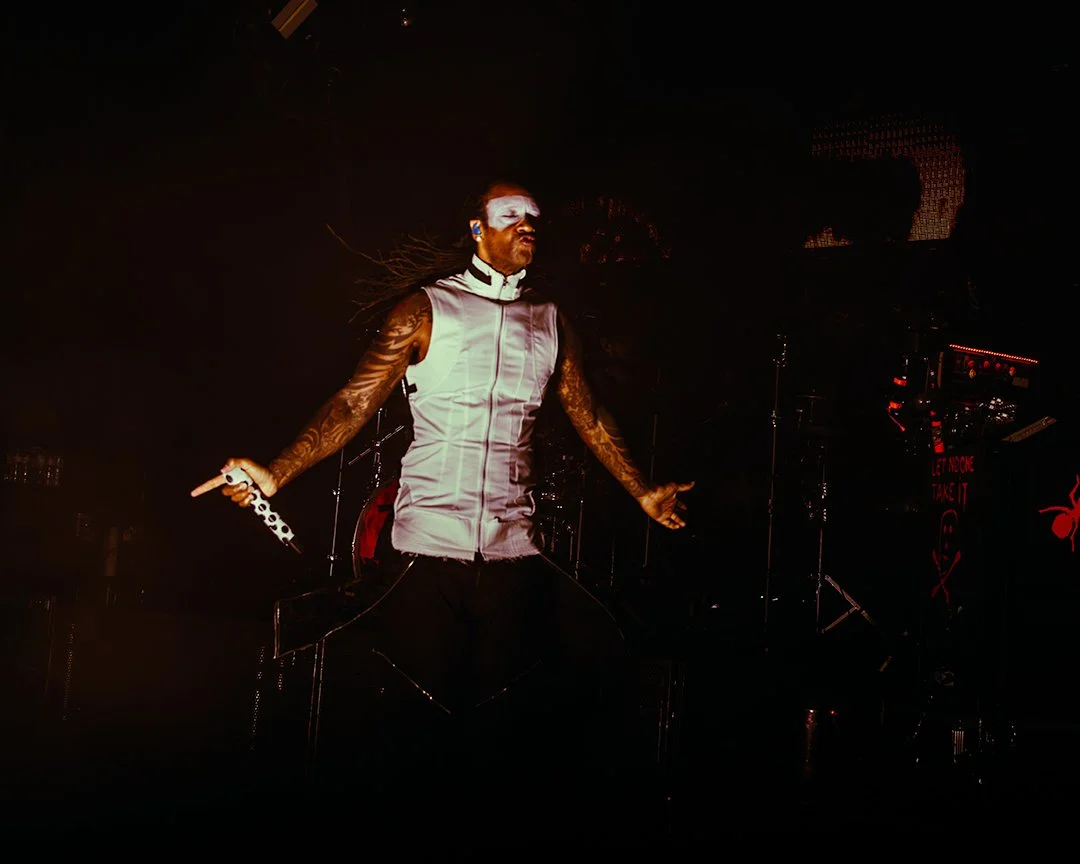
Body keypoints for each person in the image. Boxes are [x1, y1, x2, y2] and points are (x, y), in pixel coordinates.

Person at [190, 180, 693, 837]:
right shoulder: (424, 310)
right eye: (509, 216)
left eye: (534, 218)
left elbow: (588, 414)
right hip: (426, 554)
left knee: (501, 733)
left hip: (515, 556)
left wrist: (642, 489)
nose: (527, 226)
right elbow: (352, 402)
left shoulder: (550, 320)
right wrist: (277, 472)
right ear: (477, 230)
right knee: (417, 726)